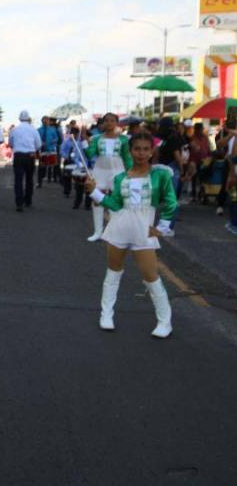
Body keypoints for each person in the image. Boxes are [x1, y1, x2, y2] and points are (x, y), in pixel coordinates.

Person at [85, 131, 177, 338]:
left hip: (144, 231)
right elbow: (116, 205)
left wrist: (161, 228)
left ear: (152, 151)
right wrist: (94, 192)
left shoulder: (160, 175)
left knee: (151, 276)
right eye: (137, 149)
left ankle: (165, 322)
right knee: (113, 273)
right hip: (119, 227)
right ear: (131, 150)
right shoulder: (120, 178)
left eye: (146, 149)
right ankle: (106, 314)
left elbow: (171, 202)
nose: (141, 153)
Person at [85, 113, 131, 241]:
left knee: (115, 201)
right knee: (97, 200)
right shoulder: (96, 138)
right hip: (99, 172)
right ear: (103, 123)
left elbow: (127, 158)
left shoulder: (124, 139)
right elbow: (89, 155)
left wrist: (131, 172)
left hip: (118, 172)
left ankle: (112, 232)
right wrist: (85, 141)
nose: (109, 123)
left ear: (116, 123)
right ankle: (97, 232)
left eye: (112, 121)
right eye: (107, 121)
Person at [9, 111, 42, 212]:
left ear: (19, 119)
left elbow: (10, 143)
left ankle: (19, 203)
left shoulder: (14, 130)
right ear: (28, 119)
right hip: (30, 156)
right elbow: (38, 145)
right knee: (29, 179)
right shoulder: (33, 130)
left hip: (18, 156)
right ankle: (28, 200)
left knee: (18, 180)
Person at [37, 116, 61, 186]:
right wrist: (41, 143)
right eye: (44, 121)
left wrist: (51, 142)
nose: (45, 122)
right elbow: (36, 139)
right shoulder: (39, 130)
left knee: (54, 165)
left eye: (46, 121)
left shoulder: (53, 129)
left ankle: (58, 179)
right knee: (41, 167)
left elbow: (56, 138)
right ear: (42, 121)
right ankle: (39, 182)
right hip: (42, 150)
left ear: (48, 121)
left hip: (51, 150)